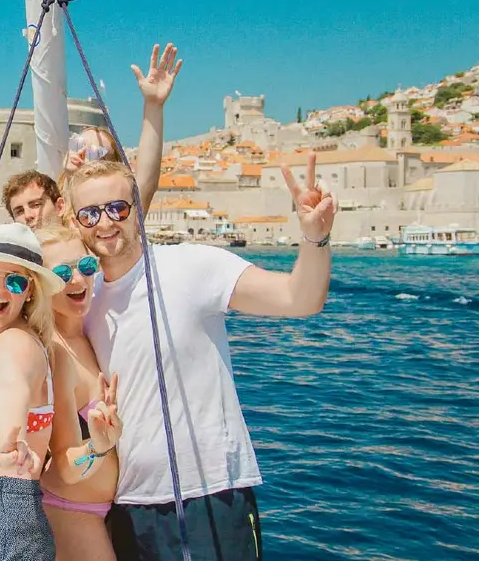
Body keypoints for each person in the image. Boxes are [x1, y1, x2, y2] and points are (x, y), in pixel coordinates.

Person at [68, 153, 335, 559]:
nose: (105, 222)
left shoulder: (193, 264)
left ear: (137, 208)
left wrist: (314, 238)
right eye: (90, 213)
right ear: (76, 222)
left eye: (117, 207)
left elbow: (300, 299)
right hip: (128, 504)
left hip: (210, 495)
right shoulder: (85, 303)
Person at [0, 223, 121, 561]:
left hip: (0, 511)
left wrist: (12, 434)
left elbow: (12, 387)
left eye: (15, 281)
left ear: (29, 291)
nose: (1, 289)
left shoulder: (17, 342)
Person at [0, 41, 181, 234]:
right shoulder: (25, 244)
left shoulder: (114, 224)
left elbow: (145, 184)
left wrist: (153, 107)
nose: (86, 160)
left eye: (97, 155)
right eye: (79, 147)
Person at [35, 224, 121, 561]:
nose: (77, 280)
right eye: (60, 273)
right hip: (70, 510)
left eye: (84, 267)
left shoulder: (89, 330)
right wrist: (99, 446)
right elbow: (65, 465)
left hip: (105, 508)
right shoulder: (53, 354)